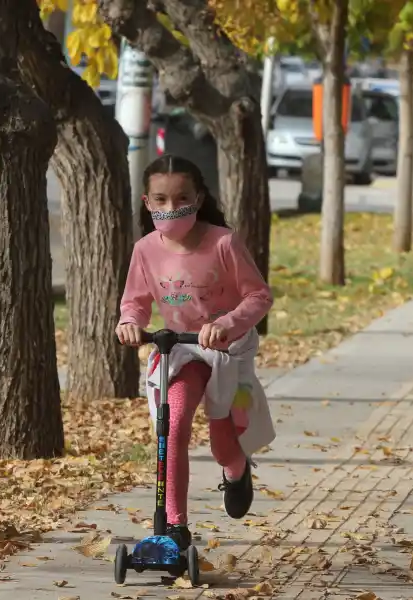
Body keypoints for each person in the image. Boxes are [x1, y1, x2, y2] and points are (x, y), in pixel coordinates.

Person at [115, 154, 275, 551]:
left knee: (223, 441)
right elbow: (134, 302)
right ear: (147, 202)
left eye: (182, 197)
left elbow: (259, 295)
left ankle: (236, 472)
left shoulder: (223, 242)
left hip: (225, 349)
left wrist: (227, 324)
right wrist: (128, 323)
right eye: (161, 199)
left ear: (199, 198)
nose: (172, 208)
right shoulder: (145, 250)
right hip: (180, 349)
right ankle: (174, 525)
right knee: (173, 425)